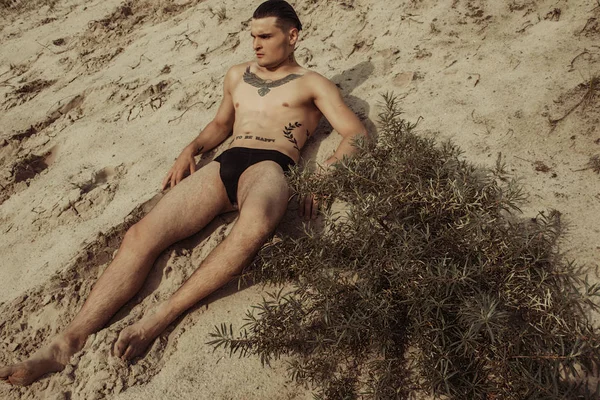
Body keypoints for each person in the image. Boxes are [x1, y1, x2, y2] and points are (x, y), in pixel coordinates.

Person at [0, 0, 367, 386]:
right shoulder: (237, 75)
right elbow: (221, 124)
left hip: (269, 166)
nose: (255, 44)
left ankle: (163, 314)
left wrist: (330, 175)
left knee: (255, 224)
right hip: (225, 162)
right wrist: (191, 148)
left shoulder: (313, 84)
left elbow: (354, 132)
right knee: (141, 236)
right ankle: (66, 342)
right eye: (252, 36)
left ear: (291, 37)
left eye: (265, 36)